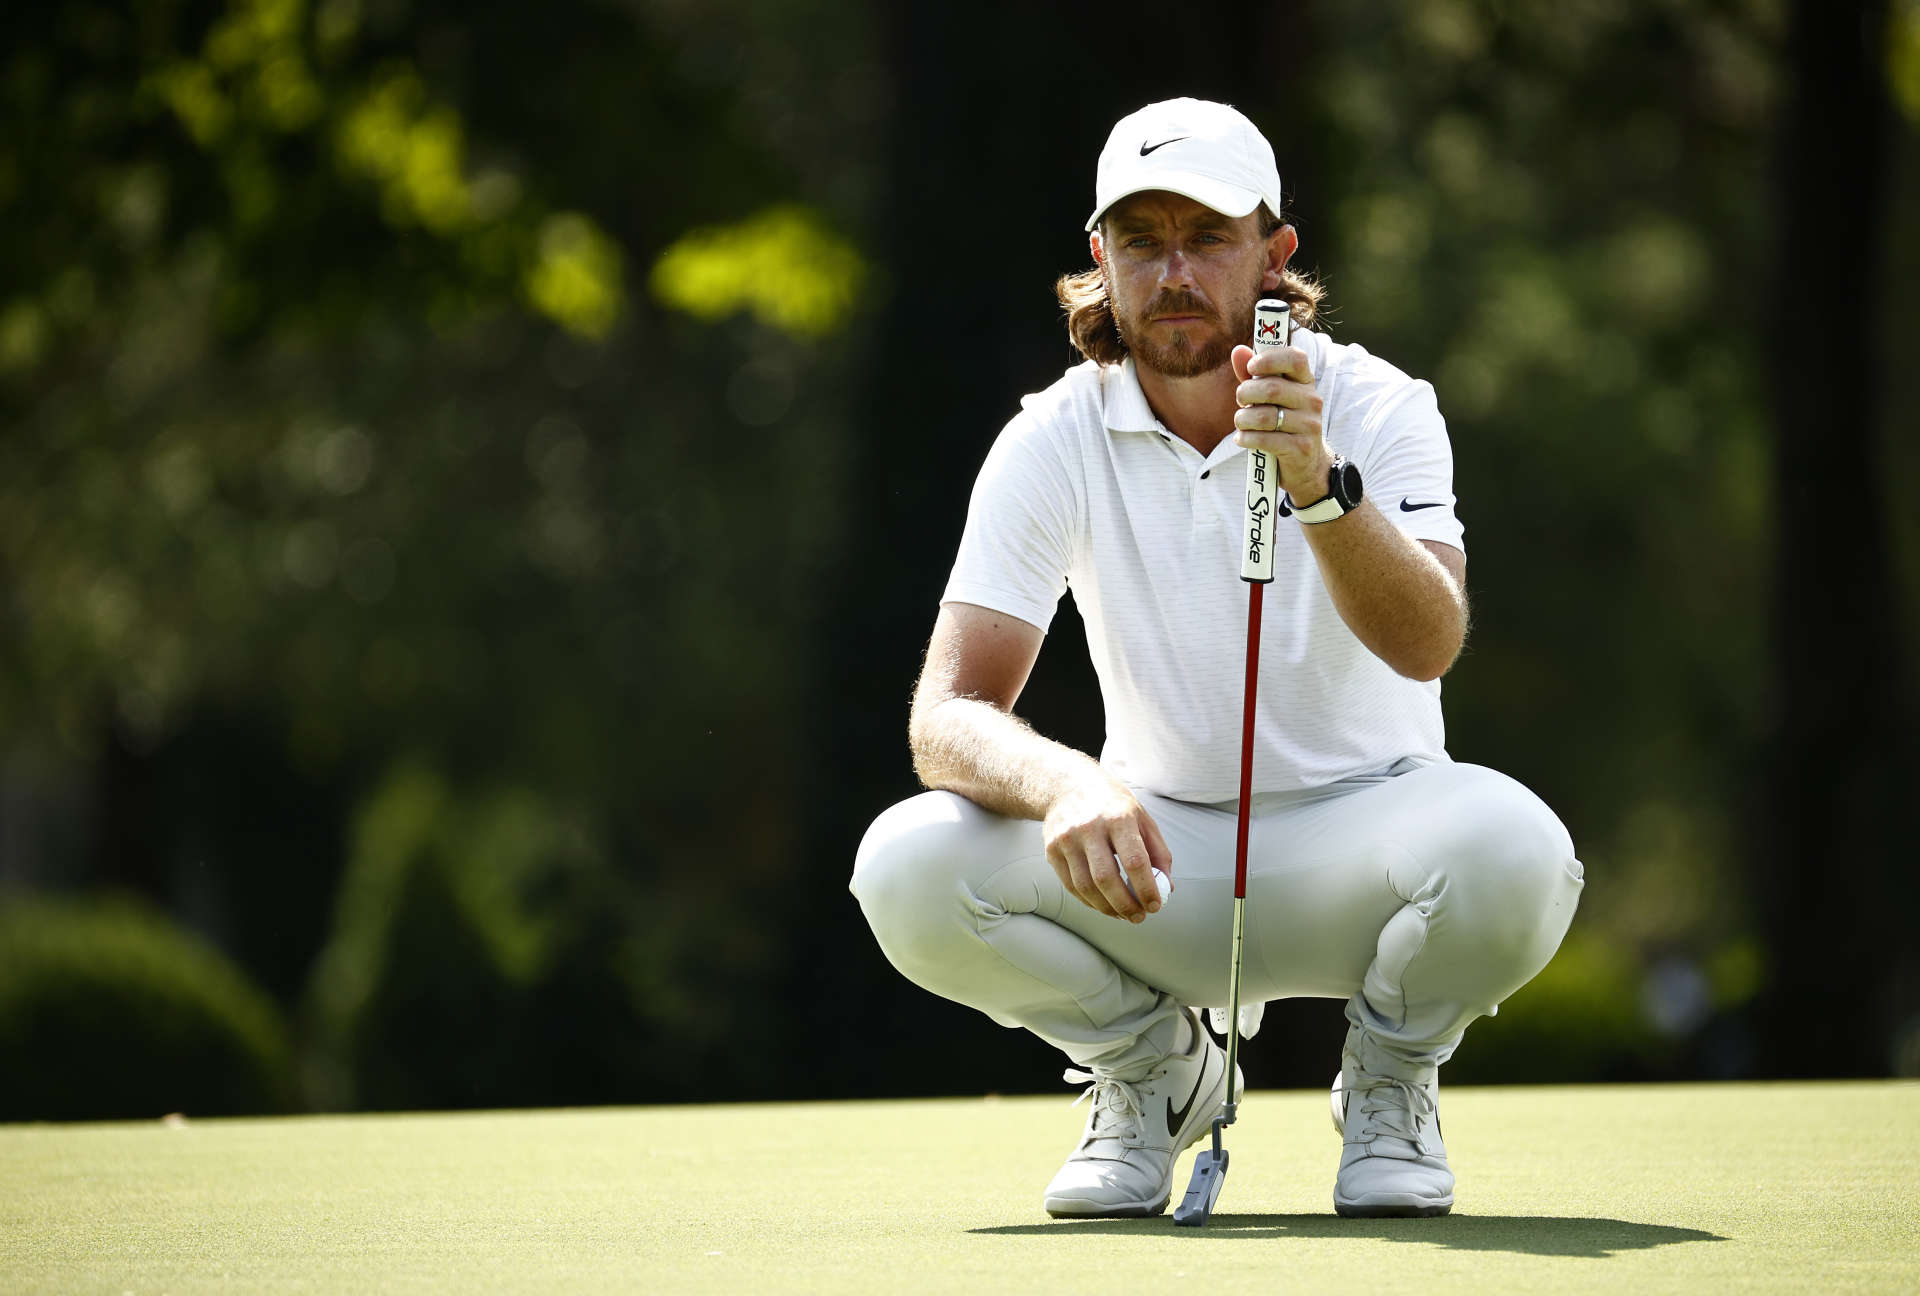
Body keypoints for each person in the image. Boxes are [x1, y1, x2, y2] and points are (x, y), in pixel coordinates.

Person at [849, 97, 1583, 1220]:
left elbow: (1429, 642)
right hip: (1159, 864)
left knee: (1519, 850)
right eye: (1141, 241)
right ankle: (1154, 1071)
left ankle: (1389, 1077)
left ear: (1274, 252)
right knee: (903, 865)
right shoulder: (1050, 435)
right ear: (1101, 256)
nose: (1173, 272)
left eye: (1207, 237)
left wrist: (1320, 488)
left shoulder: (1380, 406)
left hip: (1369, 837)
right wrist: (1066, 783)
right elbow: (944, 715)